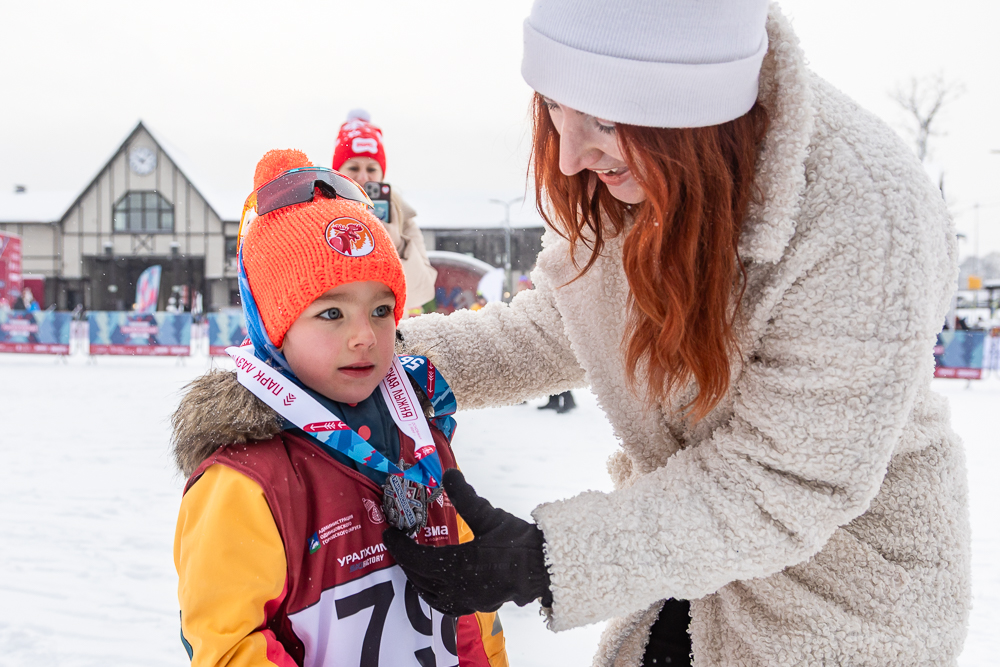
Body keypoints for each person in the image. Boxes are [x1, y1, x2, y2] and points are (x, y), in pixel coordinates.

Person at [383, 3, 971, 666]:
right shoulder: (634, 179)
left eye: (604, 120)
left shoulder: (865, 218)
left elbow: (780, 483)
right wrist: (372, 358)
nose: (571, 156)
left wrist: (543, 558)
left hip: (833, 610)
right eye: (553, 105)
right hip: (688, 578)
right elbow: (559, 322)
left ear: (695, 111)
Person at [171, 150, 507, 667]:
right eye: (331, 312)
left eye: (380, 310)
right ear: (274, 329)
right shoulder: (243, 482)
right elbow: (230, 649)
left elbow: (471, 611)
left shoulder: (420, 438)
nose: (364, 336)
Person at [332, 110, 438, 317]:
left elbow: (420, 293)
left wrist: (398, 245)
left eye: (372, 169)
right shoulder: (315, 214)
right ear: (338, 172)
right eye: (353, 167)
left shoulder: (402, 218)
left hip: (388, 333)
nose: (363, 177)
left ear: (382, 174)